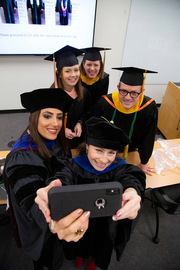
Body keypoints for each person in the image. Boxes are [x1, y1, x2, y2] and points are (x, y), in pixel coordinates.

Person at [35, 116, 146, 270]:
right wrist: (57, 186)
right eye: (99, 150)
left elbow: (131, 177)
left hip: (105, 222)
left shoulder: (118, 167)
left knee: (102, 244)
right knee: (80, 240)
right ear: (87, 146)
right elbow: (63, 175)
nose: (104, 160)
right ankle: (80, 255)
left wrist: (132, 191)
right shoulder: (74, 165)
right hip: (80, 217)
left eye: (111, 153)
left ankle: (95, 259)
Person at [3, 88, 90, 270]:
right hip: (40, 231)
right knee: (48, 260)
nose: (55, 123)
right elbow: (32, 204)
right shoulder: (23, 158)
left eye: (59, 117)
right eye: (48, 116)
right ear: (35, 118)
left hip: (52, 224)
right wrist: (54, 223)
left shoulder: (48, 140)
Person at [94, 67, 158, 176]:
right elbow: (95, 132)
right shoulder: (105, 103)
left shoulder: (149, 108)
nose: (128, 97)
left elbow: (148, 137)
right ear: (118, 87)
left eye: (134, 93)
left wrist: (144, 162)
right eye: (123, 91)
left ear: (142, 91)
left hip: (132, 150)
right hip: (105, 150)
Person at [44, 45, 92, 150]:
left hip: (76, 139)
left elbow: (86, 112)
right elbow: (46, 121)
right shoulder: (51, 96)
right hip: (57, 141)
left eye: (76, 70)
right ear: (59, 74)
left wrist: (79, 123)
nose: (73, 75)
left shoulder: (84, 92)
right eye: (68, 71)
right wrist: (61, 130)